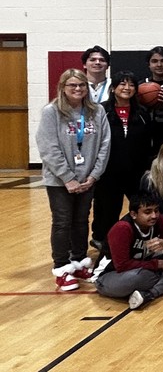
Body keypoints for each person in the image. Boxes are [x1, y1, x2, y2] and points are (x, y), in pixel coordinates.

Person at [38, 68, 111, 290]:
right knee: (62, 222)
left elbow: (104, 145)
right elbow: (48, 148)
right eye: (72, 85)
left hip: (87, 179)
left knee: (81, 221)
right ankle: (61, 268)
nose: (78, 89)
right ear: (63, 88)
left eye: (81, 85)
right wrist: (68, 178)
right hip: (60, 181)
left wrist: (94, 175)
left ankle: (78, 262)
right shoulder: (52, 112)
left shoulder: (96, 111)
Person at [93, 190, 163, 310]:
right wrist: (160, 264)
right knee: (140, 277)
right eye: (147, 212)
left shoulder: (160, 220)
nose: (154, 215)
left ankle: (150, 294)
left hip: (143, 268)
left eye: (156, 210)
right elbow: (122, 265)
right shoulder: (122, 228)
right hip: (110, 276)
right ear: (133, 214)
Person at [92, 71, 154, 251]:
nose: (127, 88)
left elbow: (148, 142)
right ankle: (105, 245)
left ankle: (140, 243)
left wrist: (148, 166)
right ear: (113, 88)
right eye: (122, 84)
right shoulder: (101, 110)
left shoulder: (142, 112)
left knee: (141, 209)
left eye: (131, 85)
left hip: (136, 171)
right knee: (108, 211)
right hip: (108, 172)